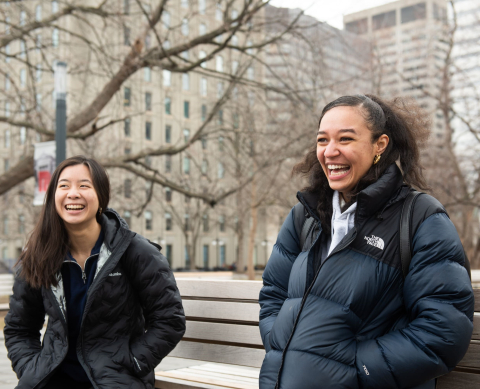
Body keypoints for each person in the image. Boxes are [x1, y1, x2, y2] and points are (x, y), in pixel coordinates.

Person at [259, 95, 474, 389]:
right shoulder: (304, 216)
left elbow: (442, 332)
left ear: (379, 145)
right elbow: (274, 294)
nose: (330, 152)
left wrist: (356, 369)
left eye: (345, 139)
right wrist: (282, 345)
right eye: (323, 140)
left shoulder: (420, 218)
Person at [4, 156, 185, 389]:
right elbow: (20, 328)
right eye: (64, 185)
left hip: (115, 380)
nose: (73, 193)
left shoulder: (134, 251)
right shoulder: (38, 255)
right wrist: (31, 368)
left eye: (84, 185)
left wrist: (134, 363)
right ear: (53, 198)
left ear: (101, 197)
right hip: (52, 378)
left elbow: (169, 319)